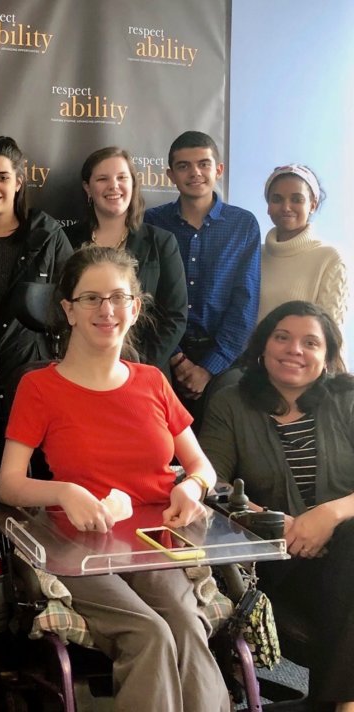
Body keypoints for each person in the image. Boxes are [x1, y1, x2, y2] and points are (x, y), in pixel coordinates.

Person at [0, 246, 230, 712]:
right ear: (68, 310)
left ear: (135, 307)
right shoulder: (40, 387)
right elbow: (8, 484)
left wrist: (191, 486)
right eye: (90, 298)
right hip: (80, 545)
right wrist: (64, 490)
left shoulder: (153, 381)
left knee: (185, 621)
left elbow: (204, 467)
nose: (106, 311)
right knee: (148, 632)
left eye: (118, 297)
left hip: (154, 540)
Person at [200, 300, 354, 712]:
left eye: (310, 342)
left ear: (327, 355)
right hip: (272, 560)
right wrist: (271, 523)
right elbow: (207, 483)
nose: (294, 350)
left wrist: (331, 514)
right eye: (282, 337)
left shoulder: (347, 398)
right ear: (263, 346)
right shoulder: (231, 402)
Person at [145, 131, 261, 418]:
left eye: (204, 164)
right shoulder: (152, 222)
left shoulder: (243, 224)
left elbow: (245, 305)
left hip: (225, 357)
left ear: (218, 170)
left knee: (225, 423)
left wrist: (209, 368)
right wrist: (178, 359)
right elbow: (146, 295)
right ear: (171, 175)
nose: (195, 172)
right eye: (184, 166)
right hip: (164, 350)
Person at [0, 135, 72, 392]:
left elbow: (75, 307)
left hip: (33, 377)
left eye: (3, 177)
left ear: (18, 182)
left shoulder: (48, 237)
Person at [65, 146, 187, 374]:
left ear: (133, 184)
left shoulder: (161, 242)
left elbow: (175, 316)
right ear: (87, 188)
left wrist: (139, 367)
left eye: (122, 177)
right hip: (79, 369)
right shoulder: (66, 241)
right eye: (103, 179)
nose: (114, 186)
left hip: (145, 369)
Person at [258, 164, 347, 328]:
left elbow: (332, 336)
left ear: (313, 205)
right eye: (277, 199)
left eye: (297, 199)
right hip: (252, 354)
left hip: (300, 354)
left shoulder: (329, 258)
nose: (286, 207)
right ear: (268, 206)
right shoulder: (255, 255)